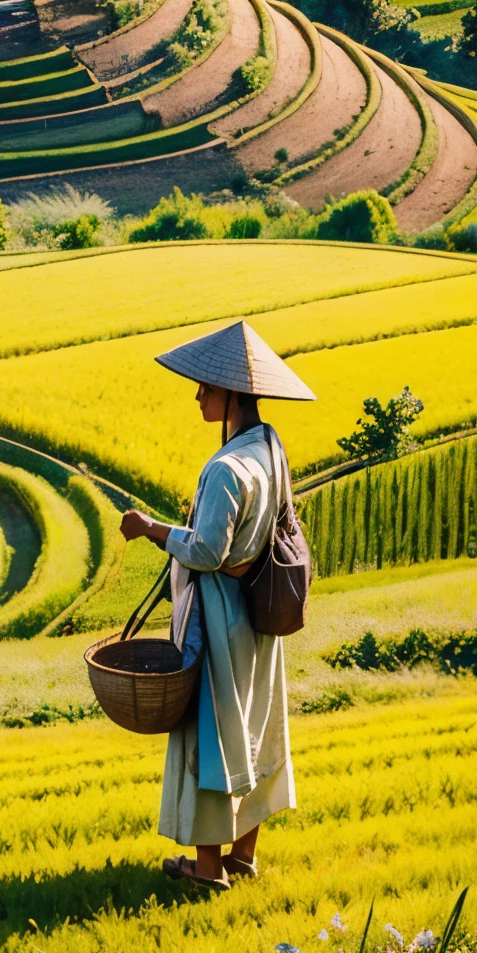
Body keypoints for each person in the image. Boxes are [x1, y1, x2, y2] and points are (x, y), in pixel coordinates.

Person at [118, 319, 313, 890]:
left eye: (207, 386)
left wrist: (150, 528)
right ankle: (244, 856)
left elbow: (206, 550)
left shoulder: (226, 469)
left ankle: (207, 870)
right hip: (258, 616)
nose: (198, 394)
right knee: (253, 727)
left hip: (222, 620)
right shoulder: (270, 446)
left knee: (213, 735)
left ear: (233, 394)